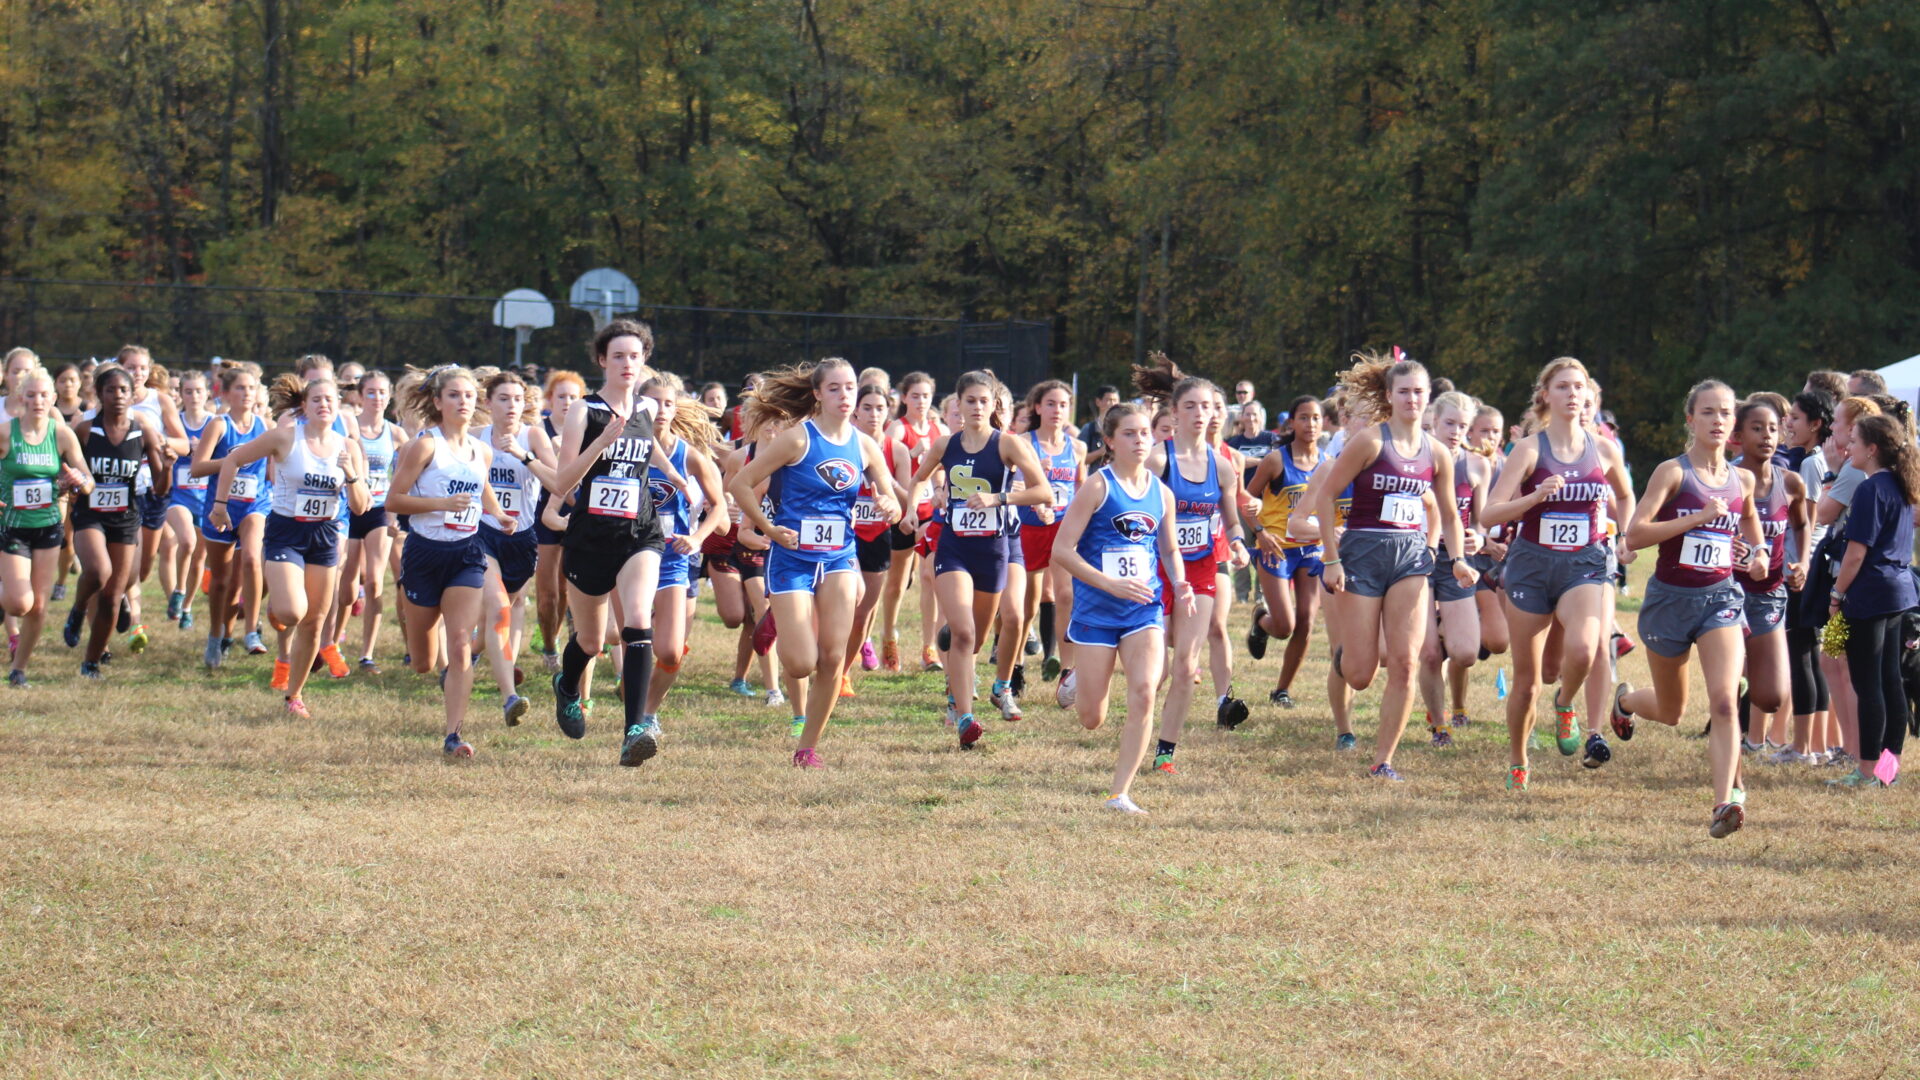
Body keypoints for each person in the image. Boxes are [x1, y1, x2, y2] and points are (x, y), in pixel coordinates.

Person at [1612, 380, 1767, 838]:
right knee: (1672, 710)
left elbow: (1751, 523)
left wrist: (1758, 554)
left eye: (1725, 413)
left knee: (1723, 701)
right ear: (1691, 420)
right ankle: (1625, 701)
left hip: (1720, 598)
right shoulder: (1673, 473)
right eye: (1708, 413)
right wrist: (1697, 518)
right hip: (1669, 602)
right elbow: (1635, 535)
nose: (1719, 421)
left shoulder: (1743, 479)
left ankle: (1724, 803)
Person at [727, 357, 900, 766]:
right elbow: (740, 484)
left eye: (850, 387)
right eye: (835, 388)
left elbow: (889, 491)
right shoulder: (797, 439)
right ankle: (778, 619)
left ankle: (807, 748)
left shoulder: (864, 444)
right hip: (791, 559)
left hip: (839, 557)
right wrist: (768, 530)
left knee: (834, 657)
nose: (845, 395)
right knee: (801, 663)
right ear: (818, 394)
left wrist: (888, 502)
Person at [1314, 353, 1476, 781]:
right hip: (1363, 555)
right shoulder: (1370, 441)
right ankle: (1345, 656)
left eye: (1419, 392)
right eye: (1403, 391)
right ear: (1390, 395)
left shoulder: (1437, 452)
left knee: (1407, 662)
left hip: (1410, 558)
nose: (1411, 399)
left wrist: (1457, 559)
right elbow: (1326, 496)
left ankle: (1383, 760)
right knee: (1362, 674)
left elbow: (1449, 513)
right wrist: (1331, 558)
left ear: (1428, 398)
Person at [543, 319, 692, 766]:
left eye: (636, 356)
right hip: (590, 536)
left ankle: (635, 730)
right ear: (602, 361)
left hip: (640, 532)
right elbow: (564, 481)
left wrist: (676, 476)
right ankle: (567, 686)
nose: (628, 364)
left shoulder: (645, 407)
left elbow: (648, 446)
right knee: (590, 641)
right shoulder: (583, 412)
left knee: (637, 621)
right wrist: (601, 443)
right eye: (619, 356)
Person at [1481, 358, 1635, 787]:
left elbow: (1625, 494)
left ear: (1588, 395)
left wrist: (1626, 534)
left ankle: (1567, 703)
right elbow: (1489, 512)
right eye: (1563, 386)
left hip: (1585, 563)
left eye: (1579, 387)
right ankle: (1518, 760)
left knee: (1587, 650)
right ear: (1546, 395)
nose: (1572, 394)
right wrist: (1533, 498)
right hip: (1531, 566)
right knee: (1529, 682)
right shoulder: (1530, 449)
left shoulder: (1603, 449)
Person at [1052, 401, 1192, 814]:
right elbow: (1063, 549)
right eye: (1129, 434)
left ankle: (1120, 793)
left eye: (1145, 433)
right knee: (1092, 718)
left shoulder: (1161, 493)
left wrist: (1180, 580)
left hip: (1142, 610)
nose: (1139, 441)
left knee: (1145, 692)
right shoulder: (1098, 486)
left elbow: (1168, 547)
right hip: (1096, 612)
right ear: (1110, 441)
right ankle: (1079, 678)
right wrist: (1107, 581)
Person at [207, 375, 371, 717]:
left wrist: (352, 474)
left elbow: (360, 506)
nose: (324, 405)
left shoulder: (349, 447)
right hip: (285, 531)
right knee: (293, 612)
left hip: (325, 535)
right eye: (317, 400)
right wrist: (220, 505)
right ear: (304, 407)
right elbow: (234, 460)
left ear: (338, 406)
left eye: (330, 400)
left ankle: (294, 695)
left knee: (314, 620)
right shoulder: (285, 437)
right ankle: (277, 610)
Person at [904, 371, 1051, 744]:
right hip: (954, 547)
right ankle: (965, 717)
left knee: (978, 637)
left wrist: (998, 498)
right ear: (957, 404)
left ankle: (971, 687)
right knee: (964, 631)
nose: (977, 407)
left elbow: (1043, 491)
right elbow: (919, 478)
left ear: (994, 406)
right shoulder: (944, 445)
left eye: (984, 401)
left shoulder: (1007, 446)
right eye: (970, 401)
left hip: (995, 549)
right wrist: (913, 507)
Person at [1133, 356, 1251, 773]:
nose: (1201, 415)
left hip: (1200, 571)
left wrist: (1237, 542)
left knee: (1185, 666)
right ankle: (1136, 731)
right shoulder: (1158, 461)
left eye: (1209, 407)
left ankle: (1165, 751)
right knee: (1155, 671)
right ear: (1174, 415)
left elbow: (1232, 518)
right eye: (1192, 407)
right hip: (1155, 570)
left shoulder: (1223, 466)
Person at [1827, 414, 1919, 788]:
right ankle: (1886, 772)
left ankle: (1867, 771)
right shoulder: (1901, 484)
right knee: (1890, 681)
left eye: (1854, 440)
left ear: (1872, 449)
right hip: (1900, 591)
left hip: (1870, 594)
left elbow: (1855, 554)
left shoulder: (1870, 489)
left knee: (1870, 686)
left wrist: (1836, 595)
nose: (1847, 446)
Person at [634, 375, 728, 729]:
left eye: (668, 403)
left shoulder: (689, 456)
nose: (661, 410)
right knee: (626, 641)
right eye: (653, 402)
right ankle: (631, 707)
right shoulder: (623, 447)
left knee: (671, 651)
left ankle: (648, 712)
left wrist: (699, 536)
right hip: (628, 557)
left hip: (673, 558)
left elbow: (719, 507)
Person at [69, 365, 169, 678]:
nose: (117, 396)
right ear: (99, 395)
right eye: (110, 390)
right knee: (98, 572)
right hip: (90, 513)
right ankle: (78, 607)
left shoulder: (143, 430)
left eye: (123, 390)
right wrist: (69, 480)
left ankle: (92, 661)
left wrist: (165, 465)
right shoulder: (86, 430)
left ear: (131, 395)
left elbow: (160, 487)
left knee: (114, 595)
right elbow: (68, 468)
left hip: (125, 517)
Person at [474, 369, 560, 724]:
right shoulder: (475, 438)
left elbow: (561, 484)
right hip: (482, 534)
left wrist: (524, 456)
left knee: (502, 609)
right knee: (497, 611)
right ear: (489, 403)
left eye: (518, 399)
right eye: (504, 399)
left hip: (522, 538)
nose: (512, 406)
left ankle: (463, 657)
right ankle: (510, 696)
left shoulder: (534, 436)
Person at [1732, 398, 1810, 771]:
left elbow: (1801, 523)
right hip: (1725, 593)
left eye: (1773, 428)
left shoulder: (1790, 481)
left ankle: (1744, 690)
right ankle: (1730, 746)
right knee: (1726, 682)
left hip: (1769, 596)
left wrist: (1803, 561)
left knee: (1772, 696)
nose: (1767, 436)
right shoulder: (1725, 479)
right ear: (1738, 435)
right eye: (1757, 428)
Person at [0, 367, 90, 687]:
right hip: (12, 526)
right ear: (20, 398)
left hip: (49, 526)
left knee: (38, 605)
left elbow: (87, 479)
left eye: (43, 395)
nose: (38, 401)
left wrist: (78, 482)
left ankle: (19, 669)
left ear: (52, 398)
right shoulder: (6, 433)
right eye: (31, 395)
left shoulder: (61, 434)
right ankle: (5, 590)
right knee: (18, 603)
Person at [1416, 391, 1492, 749]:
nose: (1456, 431)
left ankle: (1440, 627)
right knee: (1430, 652)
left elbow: (1480, 520)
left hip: (1456, 559)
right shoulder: (1416, 456)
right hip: (1415, 557)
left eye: (1464, 426)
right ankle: (1438, 724)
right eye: (1449, 423)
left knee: (1465, 652)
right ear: (1432, 420)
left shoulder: (1477, 465)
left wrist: (1478, 536)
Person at [187, 364, 272, 668]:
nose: (247, 394)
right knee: (222, 582)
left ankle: (251, 630)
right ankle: (215, 634)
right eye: (240, 388)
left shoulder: (264, 425)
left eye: (251, 388)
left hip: (254, 505)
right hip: (220, 508)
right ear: (225, 393)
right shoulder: (219, 425)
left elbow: (272, 467)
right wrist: (233, 461)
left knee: (251, 559)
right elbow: (197, 468)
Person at [1246, 395, 1324, 708]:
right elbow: (1246, 500)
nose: (1311, 424)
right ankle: (1261, 620)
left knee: (1306, 621)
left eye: (1316, 418)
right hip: (1276, 548)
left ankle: (1282, 690)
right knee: (1284, 626)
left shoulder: (1328, 464)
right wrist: (1260, 533)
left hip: (1311, 550)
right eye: (1304, 417)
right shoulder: (1277, 460)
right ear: (1291, 423)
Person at [1772, 390, 1833, 765]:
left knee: (1802, 656)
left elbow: (1806, 525)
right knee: (1810, 656)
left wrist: (1798, 567)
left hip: (1800, 569)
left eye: (1794, 418)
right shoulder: (1817, 459)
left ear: (1815, 425)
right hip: (1808, 568)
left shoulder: (1809, 464)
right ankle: (1814, 745)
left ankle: (1802, 747)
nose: (1787, 424)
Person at [841, 383, 913, 694]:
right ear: (855, 410)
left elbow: (907, 500)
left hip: (877, 535)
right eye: (867, 407)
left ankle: (842, 671)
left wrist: (884, 480)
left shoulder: (897, 451)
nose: (873, 414)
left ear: (888, 412)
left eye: (880, 408)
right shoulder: (844, 442)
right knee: (840, 604)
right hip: (843, 534)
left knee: (864, 610)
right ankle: (828, 665)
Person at [337, 370, 406, 672]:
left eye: (382, 392)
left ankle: (367, 655)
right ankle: (332, 643)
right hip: (351, 509)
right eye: (371, 392)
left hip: (379, 511)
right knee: (348, 582)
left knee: (376, 582)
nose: (377, 398)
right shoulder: (349, 428)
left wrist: (397, 513)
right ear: (360, 396)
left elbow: (408, 474)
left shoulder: (396, 434)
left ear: (389, 396)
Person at [879, 371, 944, 672]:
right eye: (914, 395)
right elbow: (882, 469)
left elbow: (945, 468)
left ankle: (929, 648)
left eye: (926, 396)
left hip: (931, 512)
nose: (920, 401)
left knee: (930, 579)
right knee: (898, 581)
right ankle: (888, 637)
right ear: (904, 398)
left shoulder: (938, 429)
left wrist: (940, 488)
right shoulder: (897, 429)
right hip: (904, 512)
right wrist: (914, 455)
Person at [532, 370, 585, 669]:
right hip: (543, 511)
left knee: (567, 588)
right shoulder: (538, 430)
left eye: (573, 397)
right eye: (561, 396)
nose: (567, 402)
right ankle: (549, 646)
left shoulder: (587, 430)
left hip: (577, 511)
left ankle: (569, 639)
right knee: (547, 592)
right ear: (549, 399)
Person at [162, 370, 215, 631]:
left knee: (199, 558)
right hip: (178, 495)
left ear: (207, 393)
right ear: (181, 394)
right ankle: (179, 590)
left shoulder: (216, 423)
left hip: (206, 497)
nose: (194, 396)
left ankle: (187, 607)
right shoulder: (175, 424)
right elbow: (163, 449)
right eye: (188, 391)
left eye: (198, 391)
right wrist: (176, 448)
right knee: (187, 540)